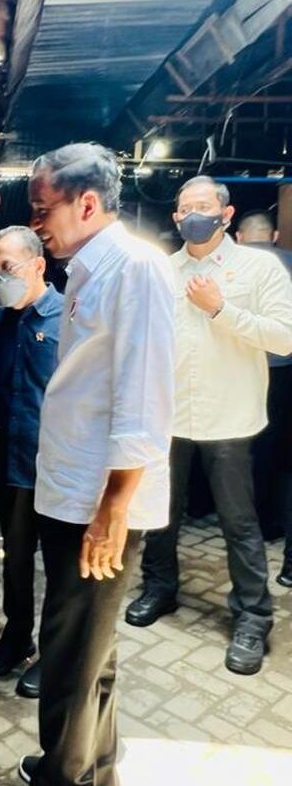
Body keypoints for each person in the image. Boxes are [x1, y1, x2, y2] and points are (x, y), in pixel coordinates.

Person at [19, 143, 175, 786]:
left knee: (68, 652)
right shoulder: (89, 268)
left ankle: (63, 773)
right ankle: (95, 764)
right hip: (75, 490)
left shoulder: (136, 269)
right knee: (91, 648)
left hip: (98, 502)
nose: (37, 225)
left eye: (41, 209)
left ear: (86, 203)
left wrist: (112, 513)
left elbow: (143, 403)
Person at [126, 179, 292, 674]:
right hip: (168, 415)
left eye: (204, 206)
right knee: (160, 513)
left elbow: (284, 339)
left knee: (238, 522)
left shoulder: (258, 267)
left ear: (226, 212)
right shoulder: (162, 270)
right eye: (184, 209)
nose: (194, 215)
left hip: (229, 417)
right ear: (175, 219)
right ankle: (159, 588)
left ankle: (253, 616)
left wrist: (221, 309)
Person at [0, 226, 61, 700]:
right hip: (11, 460)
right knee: (16, 556)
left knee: (63, 566)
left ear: (38, 264)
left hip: (60, 464)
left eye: (8, 268)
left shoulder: (71, 317)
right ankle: (16, 635)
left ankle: (56, 655)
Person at [237, 211, 292, 575]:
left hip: (242, 368)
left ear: (238, 235)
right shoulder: (288, 261)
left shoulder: (234, 265)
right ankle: (274, 526)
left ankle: (245, 520)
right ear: (272, 235)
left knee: (244, 449)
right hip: (286, 369)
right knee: (281, 452)